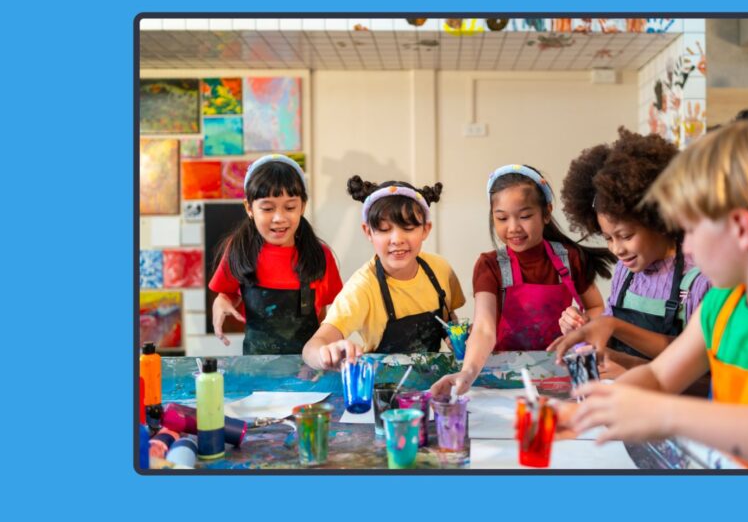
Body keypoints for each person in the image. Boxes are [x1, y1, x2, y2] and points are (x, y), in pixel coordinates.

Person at [565, 120, 748, 469]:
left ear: (743, 229)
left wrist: (669, 414)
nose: (688, 247)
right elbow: (658, 377)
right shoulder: (722, 304)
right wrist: (602, 402)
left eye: (690, 230)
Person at [549, 128, 711, 390]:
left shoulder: (699, 280)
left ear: (659, 219)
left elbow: (704, 375)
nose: (616, 249)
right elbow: (612, 335)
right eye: (608, 238)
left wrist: (624, 358)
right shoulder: (627, 272)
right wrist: (587, 329)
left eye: (625, 235)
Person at [431, 164, 613, 397]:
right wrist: (467, 372)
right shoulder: (490, 265)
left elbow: (597, 307)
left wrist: (582, 323)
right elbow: (485, 329)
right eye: (502, 218)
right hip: (504, 381)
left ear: (547, 212)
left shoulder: (569, 258)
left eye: (525, 216)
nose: (513, 228)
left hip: (560, 374)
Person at [302, 176, 465, 370]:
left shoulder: (440, 269)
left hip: (431, 383)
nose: (397, 239)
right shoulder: (362, 288)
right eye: (384, 229)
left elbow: (448, 320)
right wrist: (325, 354)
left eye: (408, 228)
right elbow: (312, 346)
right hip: (383, 388)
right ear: (368, 232)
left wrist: (457, 337)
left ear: (425, 229)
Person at [208, 154, 343, 355]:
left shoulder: (319, 255)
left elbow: (327, 314)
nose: (279, 218)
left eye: (290, 207)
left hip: (308, 367)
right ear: (249, 208)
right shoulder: (239, 249)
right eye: (268, 208)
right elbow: (226, 293)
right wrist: (222, 303)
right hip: (257, 368)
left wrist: (330, 348)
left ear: (302, 207)